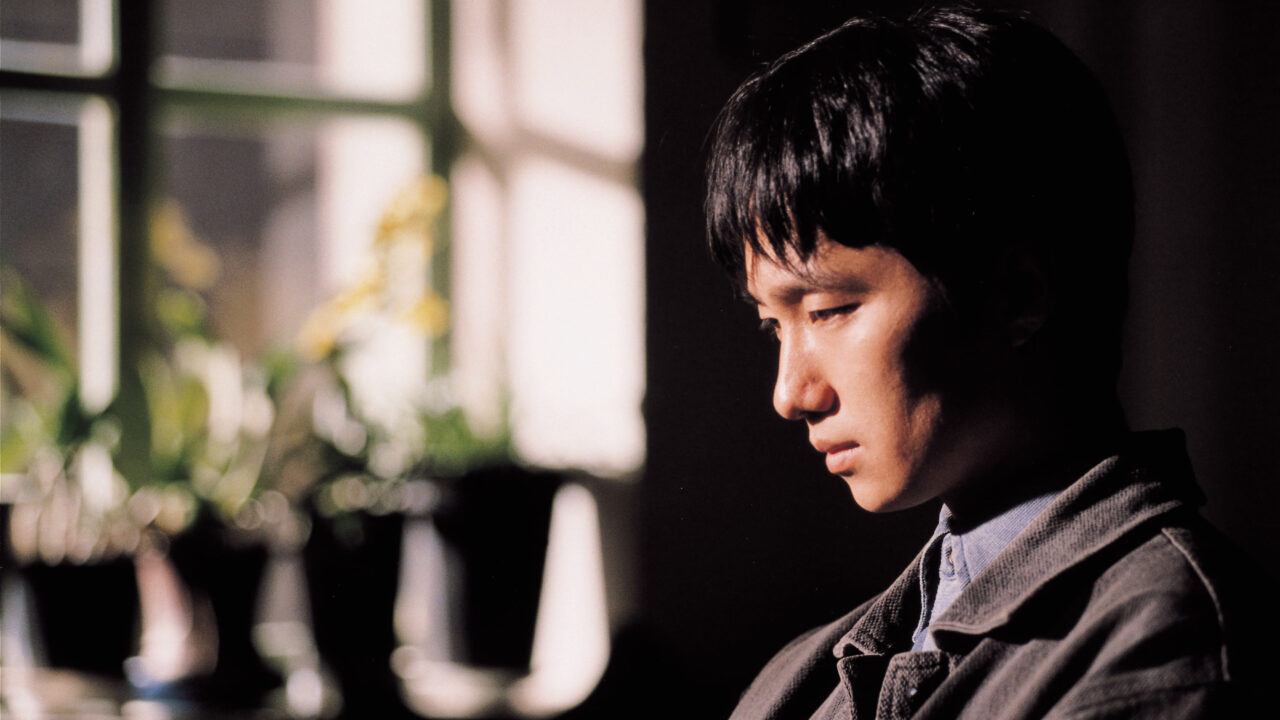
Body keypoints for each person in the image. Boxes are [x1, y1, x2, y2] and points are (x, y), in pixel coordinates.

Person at [703, 5, 1269, 719]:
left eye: (829, 310)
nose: (790, 393)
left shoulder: (1164, 647)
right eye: (772, 325)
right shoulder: (798, 677)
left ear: (1016, 297)